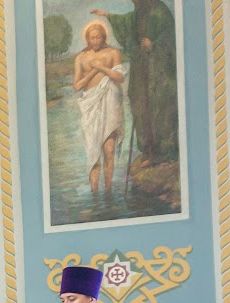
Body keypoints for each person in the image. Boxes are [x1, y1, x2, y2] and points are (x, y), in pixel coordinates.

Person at [92, 0, 178, 163]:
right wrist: (109, 16)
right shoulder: (139, 13)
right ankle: (148, 150)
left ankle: (164, 152)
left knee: (158, 107)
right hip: (140, 68)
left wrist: (153, 44)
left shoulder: (160, 11)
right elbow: (127, 24)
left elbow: (171, 38)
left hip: (159, 73)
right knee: (138, 103)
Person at [74, 21, 126, 196]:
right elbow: (77, 86)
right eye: (92, 37)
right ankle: (95, 195)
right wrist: (94, 71)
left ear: (104, 37)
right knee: (93, 151)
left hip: (110, 102)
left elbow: (119, 77)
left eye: (98, 37)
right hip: (91, 105)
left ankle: (109, 192)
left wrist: (102, 67)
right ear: (87, 39)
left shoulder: (113, 53)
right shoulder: (80, 57)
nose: (95, 40)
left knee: (109, 150)